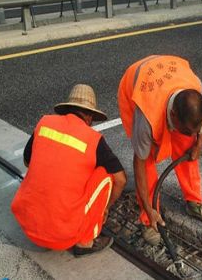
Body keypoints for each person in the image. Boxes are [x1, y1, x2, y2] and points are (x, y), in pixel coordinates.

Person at [11, 84, 127, 257]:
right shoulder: (93, 139)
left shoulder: (44, 123)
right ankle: (85, 242)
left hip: (27, 226)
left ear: (66, 109)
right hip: (62, 235)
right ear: (89, 116)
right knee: (106, 175)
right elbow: (121, 179)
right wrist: (105, 207)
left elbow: (28, 162)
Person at [118, 55, 202, 246]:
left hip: (167, 78)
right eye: (186, 128)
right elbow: (139, 161)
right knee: (147, 158)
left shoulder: (195, 88)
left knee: (186, 143)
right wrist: (148, 208)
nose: (192, 133)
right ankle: (148, 220)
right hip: (135, 87)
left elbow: (201, 120)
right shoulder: (146, 116)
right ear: (173, 115)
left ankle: (194, 202)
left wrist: (198, 143)